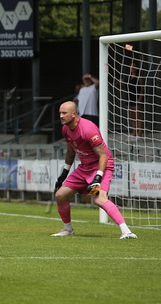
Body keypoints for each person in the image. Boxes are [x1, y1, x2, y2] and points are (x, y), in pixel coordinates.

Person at [53, 101, 137, 239]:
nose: (61, 116)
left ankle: (126, 231)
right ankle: (68, 229)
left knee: (99, 199)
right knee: (60, 195)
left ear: (74, 114)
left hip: (101, 165)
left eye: (64, 113)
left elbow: (103, 156)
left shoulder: (88, 129)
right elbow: (70, 152)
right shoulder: (65, 129)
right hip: (84, 168)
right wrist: (64, 174)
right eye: (60, 113)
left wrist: (97, 178)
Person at [120, 63, 144, 140]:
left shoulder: (139, 77)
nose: (132, 68)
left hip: (136, 98)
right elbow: (125, 87)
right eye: (131, 66)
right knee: (132, 117)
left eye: (134, 66)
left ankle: (139, 135)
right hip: (129, 99)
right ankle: (134, 134)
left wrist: (139, 99)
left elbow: (142, 88)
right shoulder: (128, 78)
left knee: (138, 117)